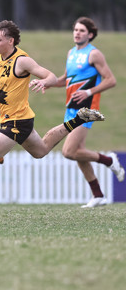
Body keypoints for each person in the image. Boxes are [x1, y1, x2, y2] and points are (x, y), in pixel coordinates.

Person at [0, 20, 105, 219]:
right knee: (41, 150)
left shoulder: (22, 60)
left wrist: (44, 81)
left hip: (16, 123)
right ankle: (77, 120)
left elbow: (50, 75)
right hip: (16, 120)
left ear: (11, 40)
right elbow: (0, 91)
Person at [51, 17, 122, 208]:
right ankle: (98, 195)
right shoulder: (71, 53)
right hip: (70, 109)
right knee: (77, 153)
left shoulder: (94, 54)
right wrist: (46, 83)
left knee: (69, 151)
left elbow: (111, 80)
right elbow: (65, 80)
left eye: (82, 30)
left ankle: (108, 160)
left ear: (90, 34)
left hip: (87, 110)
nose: (77, 33)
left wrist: (89, 92)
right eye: (75, 29)